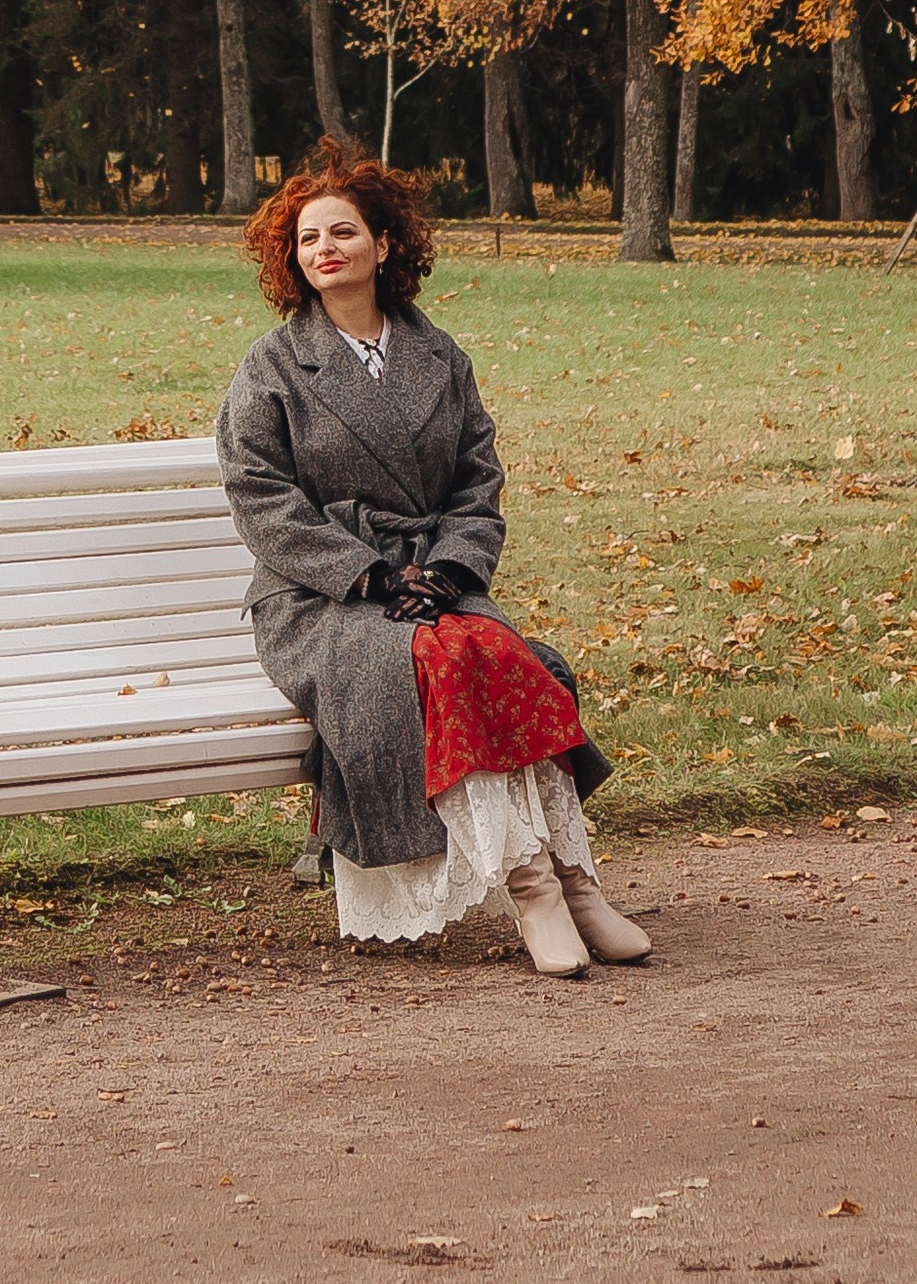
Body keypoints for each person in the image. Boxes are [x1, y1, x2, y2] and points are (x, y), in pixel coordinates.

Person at [214, 151, 652, 975]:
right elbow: (261, 498)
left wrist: (450, 571)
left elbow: (477, 482)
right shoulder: (271, 367)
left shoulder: (438, 355)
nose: (325, 249)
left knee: (496, 651)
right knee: (444, 658)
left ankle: (579, 882)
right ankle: (536, 892)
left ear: (384, 243)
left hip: (431, 582)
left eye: (344, 232)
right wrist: (369, 576)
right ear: (292, 258)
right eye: (308, 238)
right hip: (320, 599)